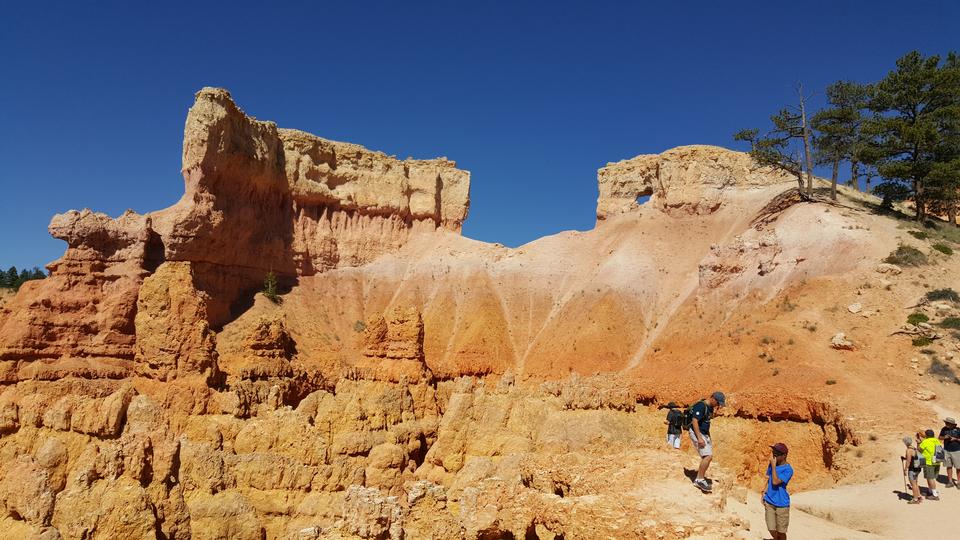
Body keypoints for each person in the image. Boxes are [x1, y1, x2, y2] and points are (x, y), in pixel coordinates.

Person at [688, 391, 725, 492]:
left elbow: (706, 421)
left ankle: (700, 477)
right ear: (713, 398)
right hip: (697, 433)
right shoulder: (701, 405)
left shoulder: (710, 408)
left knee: (708, 457)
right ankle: (699, 480)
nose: (718, 405)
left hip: (704, 434)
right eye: (718, 403)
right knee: (707, 456)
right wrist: (699, 438)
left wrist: (708, 436)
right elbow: (695, 421)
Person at [763, 442, 793, 540]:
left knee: (781, 531)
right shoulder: (772, 465)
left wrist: (774, 466)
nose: (774, 454)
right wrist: (763, 492)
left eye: (777, 453)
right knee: (771, 528)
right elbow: (769, 478)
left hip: (782, 504)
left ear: (784, 455)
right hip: (769, 501)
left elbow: (775, 482)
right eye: (773, 452)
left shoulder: (788, 469)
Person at [919, 429, 942, 500]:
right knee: (931, 477)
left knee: (930, 478)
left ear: (926, 435)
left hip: (929, 462)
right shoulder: (937, 440)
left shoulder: (925, 442)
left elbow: (919, 450)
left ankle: (935, 495)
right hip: (937, 461)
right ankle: (930, 491)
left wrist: (919, 442)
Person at [938, 417, 960, 488]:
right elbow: (939, 437)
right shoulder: (944, 429)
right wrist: (945, 437)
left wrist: (956, 439)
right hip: (946, 450)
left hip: (957, 450)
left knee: (958, 467)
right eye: (945, 422)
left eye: (947, 423)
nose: (946, 424)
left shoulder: (958, 430)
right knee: (949, 466)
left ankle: (959, 482)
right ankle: (950, 481)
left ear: (952, 424)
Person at [902, 435, 923, 504]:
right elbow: (913, 458)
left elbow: (908, 461)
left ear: (905, 443)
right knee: (916, 483)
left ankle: (915, 499)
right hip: (917, 468)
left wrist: (905, 469)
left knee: (913, 484)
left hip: (912, 469)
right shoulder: (914, 448)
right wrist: (904, 458)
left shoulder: (908, 450)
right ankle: (919, 496)